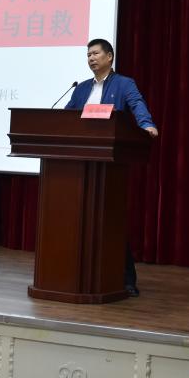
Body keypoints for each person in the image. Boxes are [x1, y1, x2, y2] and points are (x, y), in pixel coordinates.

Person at [64, 38, 157, 296]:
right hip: (82, 163)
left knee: (110, 222)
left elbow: (136, 104)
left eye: (95, 53)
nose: (91, 58)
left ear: (109, 56)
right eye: (88, 55)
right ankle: (79, 275)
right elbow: (66, 117)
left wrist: (146, 123)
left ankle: (126, 279)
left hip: (109, 163)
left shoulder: (124, 84)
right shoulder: (81, 89)